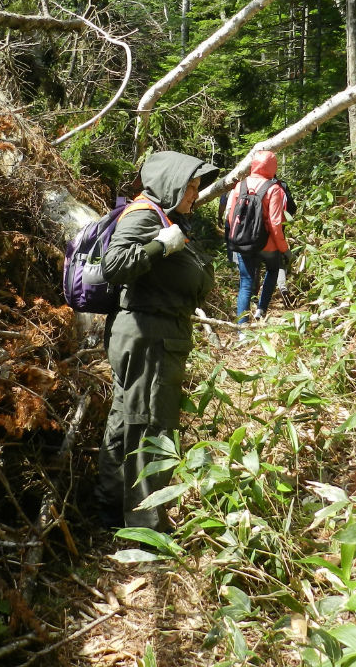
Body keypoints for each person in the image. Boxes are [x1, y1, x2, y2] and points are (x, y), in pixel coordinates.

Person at [95, 150, 218, 530]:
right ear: (171, 184)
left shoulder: (165, 216)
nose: (196, 194)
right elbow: (112, 267)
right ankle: (145, 528)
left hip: (157, 337)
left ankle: (109, 511)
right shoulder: (146, 215)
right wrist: (160, 246)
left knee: (129, 422)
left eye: (198, 187)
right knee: (150, 427)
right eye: (191, 186)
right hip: (149, 339)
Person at [224, 149, 291, 324]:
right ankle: (261, 310)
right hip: (268, 245)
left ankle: (242, 329)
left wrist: (235, 239)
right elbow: (276, 224)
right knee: (272, 270)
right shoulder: (274, 189)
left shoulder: (241, 185)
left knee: (245, 283)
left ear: (254, 164)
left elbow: (232, 217)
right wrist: (284, 249)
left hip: (244, 242)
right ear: (272, 167)